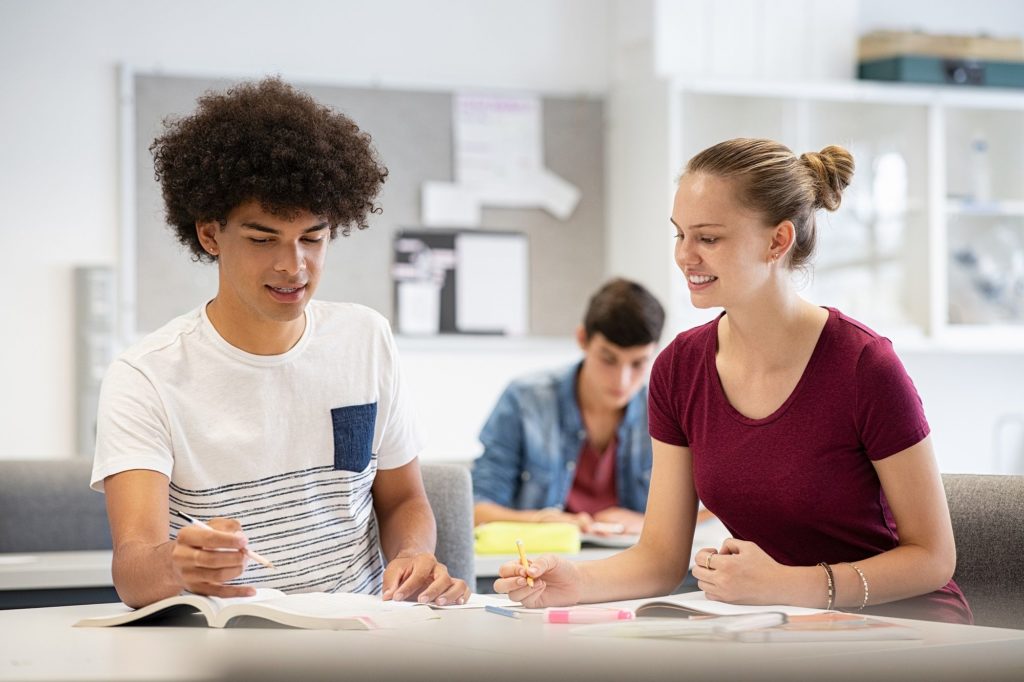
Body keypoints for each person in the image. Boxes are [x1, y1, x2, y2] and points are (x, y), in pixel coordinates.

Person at [495, 138, 973, 624]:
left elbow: (933, 559)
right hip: (780, 624)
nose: (685, 256)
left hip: (902, 625)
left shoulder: (864, 365)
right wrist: (577, 581)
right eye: (679, 235)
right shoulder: (680, 368)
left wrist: (788, 585)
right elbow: (660, 558)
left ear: (777, 241)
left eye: (708, 238)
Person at [91, 77, 469, 609]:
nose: (293, 266)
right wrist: (177, 563)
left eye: (312, 238)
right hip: (226, 642)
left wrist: (411, 555)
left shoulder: (365, 338)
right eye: (263, 239)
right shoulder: (146, 376)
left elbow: (404, 498)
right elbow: (133, 571)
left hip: (360, 637)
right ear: (209, 234)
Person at [474, 278, 715, 535]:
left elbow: (715, 507)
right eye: (608, 359)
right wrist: (541, 522)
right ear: (582, 339)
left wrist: (646, 524)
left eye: (638, 363)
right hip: (543, 564)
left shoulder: (668, 408)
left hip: (634, 568)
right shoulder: (524, 400)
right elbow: (477, 509)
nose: (621, 380)